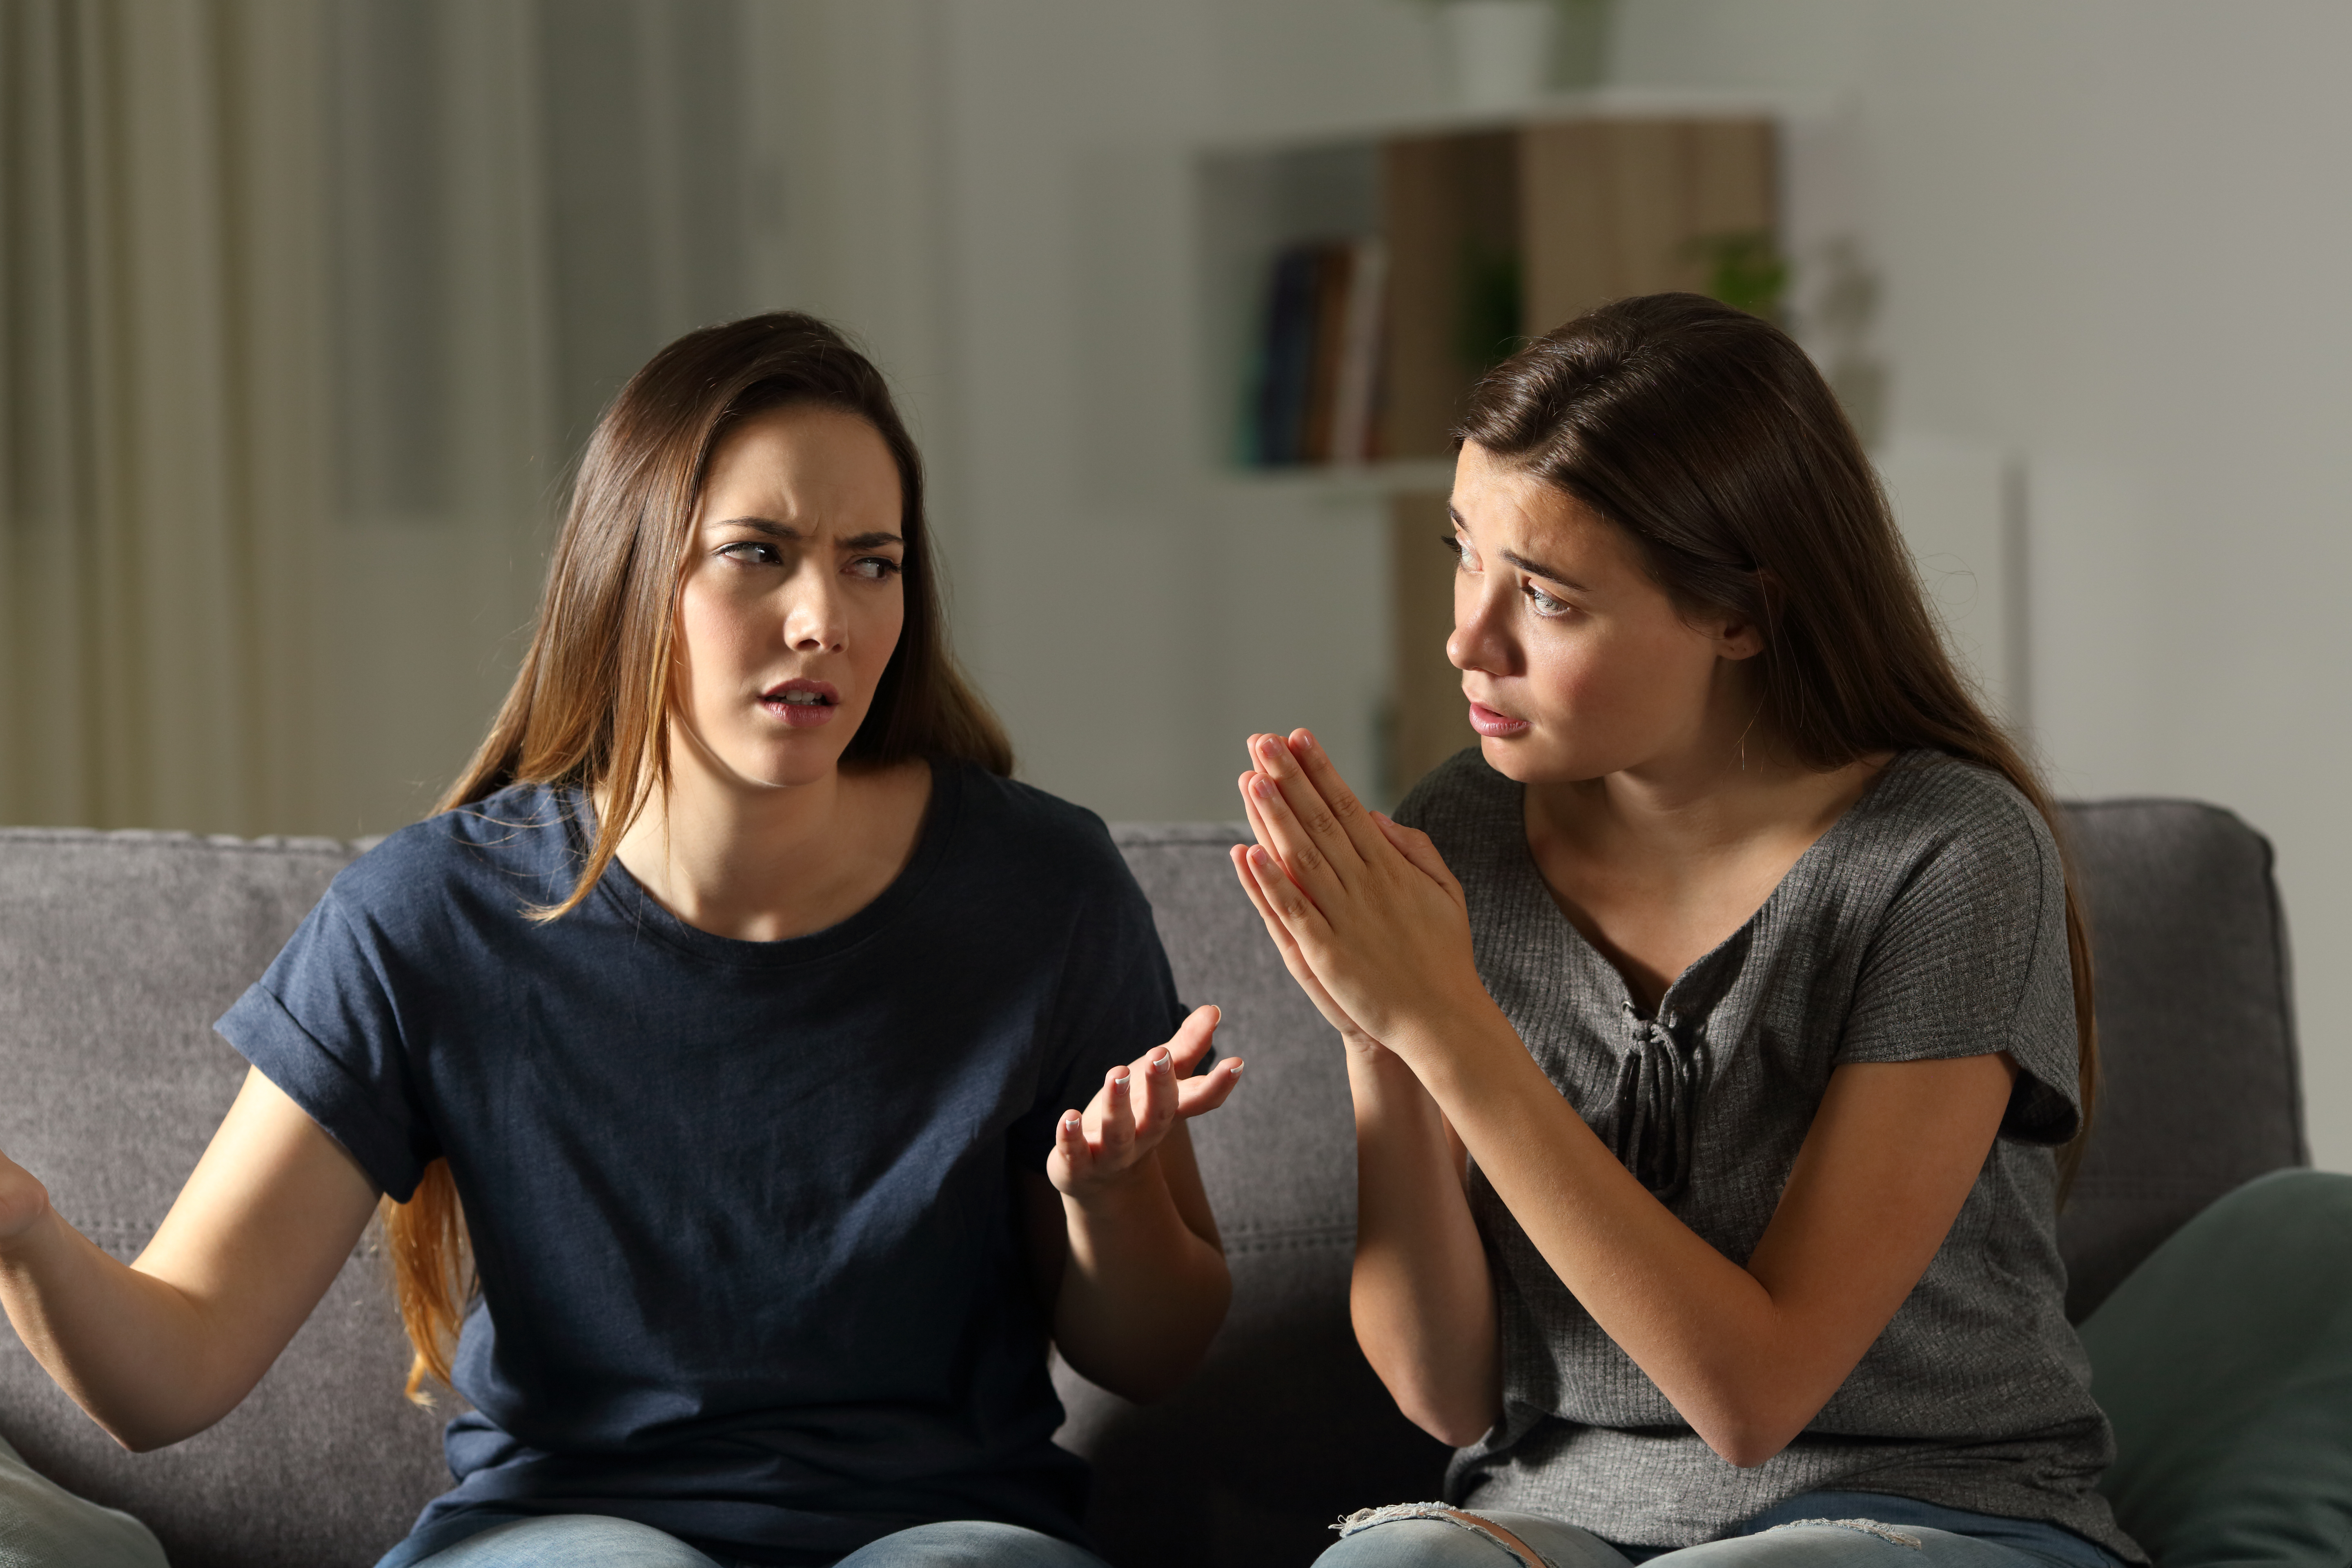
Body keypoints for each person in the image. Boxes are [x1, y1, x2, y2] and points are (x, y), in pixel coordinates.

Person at [0, 313, 1244, 1568]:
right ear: (632, 573)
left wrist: (1111, 1197)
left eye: (873, 562)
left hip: (945, 1533)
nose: (827, 618)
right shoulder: (431, 917)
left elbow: (1158, 1348)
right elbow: (174, 1373)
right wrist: (26, 1236)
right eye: (760, 553)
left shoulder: (1043, 888)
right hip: (564, 1536)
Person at [1228, 294, 2140, 1568]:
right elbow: (1444, 1394)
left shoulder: (1948, 858)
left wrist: (1450, 1024)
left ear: (1742, 616)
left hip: (1915, 1506)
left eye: (1545, 597)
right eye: (1464, 553)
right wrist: (1381, 1037)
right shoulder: (1465, 831)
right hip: (1558, 1509)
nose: (1465, 638)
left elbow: (1756, 1398)